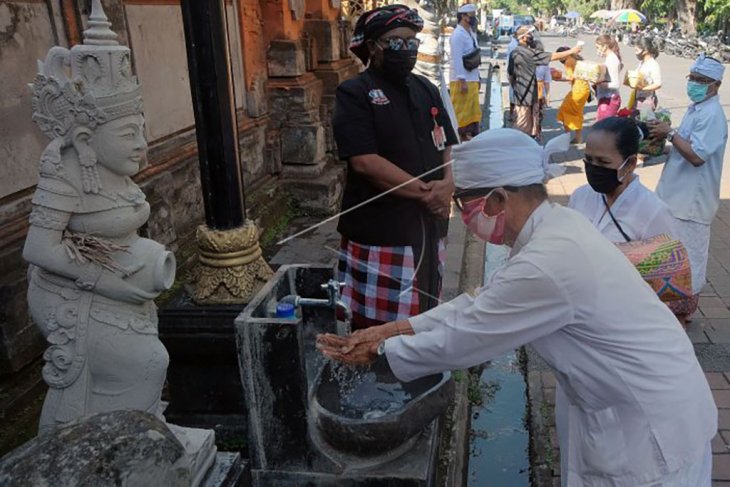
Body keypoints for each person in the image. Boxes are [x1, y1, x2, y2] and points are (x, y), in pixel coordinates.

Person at [318, 127, 717, 486]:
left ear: (497, 199)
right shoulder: (555, 226)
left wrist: (380, 352)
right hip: (635, 404)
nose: (464, 217)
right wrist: (393, 329)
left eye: (464, 204)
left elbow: (469, 337)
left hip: (651, 429)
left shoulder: (549, 260)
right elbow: (481, 303)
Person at [332, 4, 458, 330]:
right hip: (382, 229)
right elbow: (364, 160)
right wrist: (426, 193)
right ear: (373, 47)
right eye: (396, 42)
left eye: (412, 42)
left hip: (429, 226)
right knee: (377, 328)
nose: (407, 49)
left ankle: (422, 370)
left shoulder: (426, 89)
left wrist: (448, 184)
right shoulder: (354, 92)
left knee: (425, 312)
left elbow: (448, 145)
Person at [651, 54, 728, 321]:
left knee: (690, 259)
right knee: (674, 257)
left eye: (701, 80)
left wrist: (670, 134)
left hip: (692, 202)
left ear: (716, 85)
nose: (694, 84)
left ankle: (684, 312)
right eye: (692, 78)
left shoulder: (713, 115)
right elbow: (686, 147)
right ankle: (673, 307)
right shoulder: (697, 109)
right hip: (676, 197)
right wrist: (662, 148)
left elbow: (697, 156)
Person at [508, 26, 582, 138]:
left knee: (526, 125)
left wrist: (517, 88)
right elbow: (553, 56)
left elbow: (510, 75)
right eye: (529, 34)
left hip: (521, 94)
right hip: (526, 96)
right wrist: (572, 51)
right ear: (523, 37)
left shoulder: (515, 52)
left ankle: (527, 147)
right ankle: (520, 149)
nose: (531, 36)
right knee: (522, 127)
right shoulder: (528, 53)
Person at [449, 3, 482, 140]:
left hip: (472, 77)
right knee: (462, 112)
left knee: (472, 111)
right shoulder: (457, 35)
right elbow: (456, 58)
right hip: (461, 79)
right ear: (463, 17)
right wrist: (461, 80)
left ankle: (471, 136)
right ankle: (460, 136)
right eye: (472, 16)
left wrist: (478, 77)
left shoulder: (471, 33)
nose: (474, 18)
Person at [555, 46, 590, 144]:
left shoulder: (568, 61)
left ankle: (567, 136)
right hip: (584, 89)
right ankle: (577, 137)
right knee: (576, 113)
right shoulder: (576, 58)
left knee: (564, 110)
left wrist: (557, 78)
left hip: (578, 91)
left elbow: (570, 78)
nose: (558, 59)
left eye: (559, 56)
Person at [629, 36, 662, 111]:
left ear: (645, 51)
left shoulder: (653, 64)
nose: (635, 53)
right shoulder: (642, 62)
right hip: (637, 98)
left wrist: (643, 88)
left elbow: (658, 84)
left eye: (637, 50)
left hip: (646, 101)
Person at [594, 34, 623, 120]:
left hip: (610, 99)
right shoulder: (609, 58)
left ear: (605, 46)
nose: (597, 50)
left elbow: (615, 84)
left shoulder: (612, 60)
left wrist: (599, 83)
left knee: (604, 129)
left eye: (598, 47)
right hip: (605, 98)